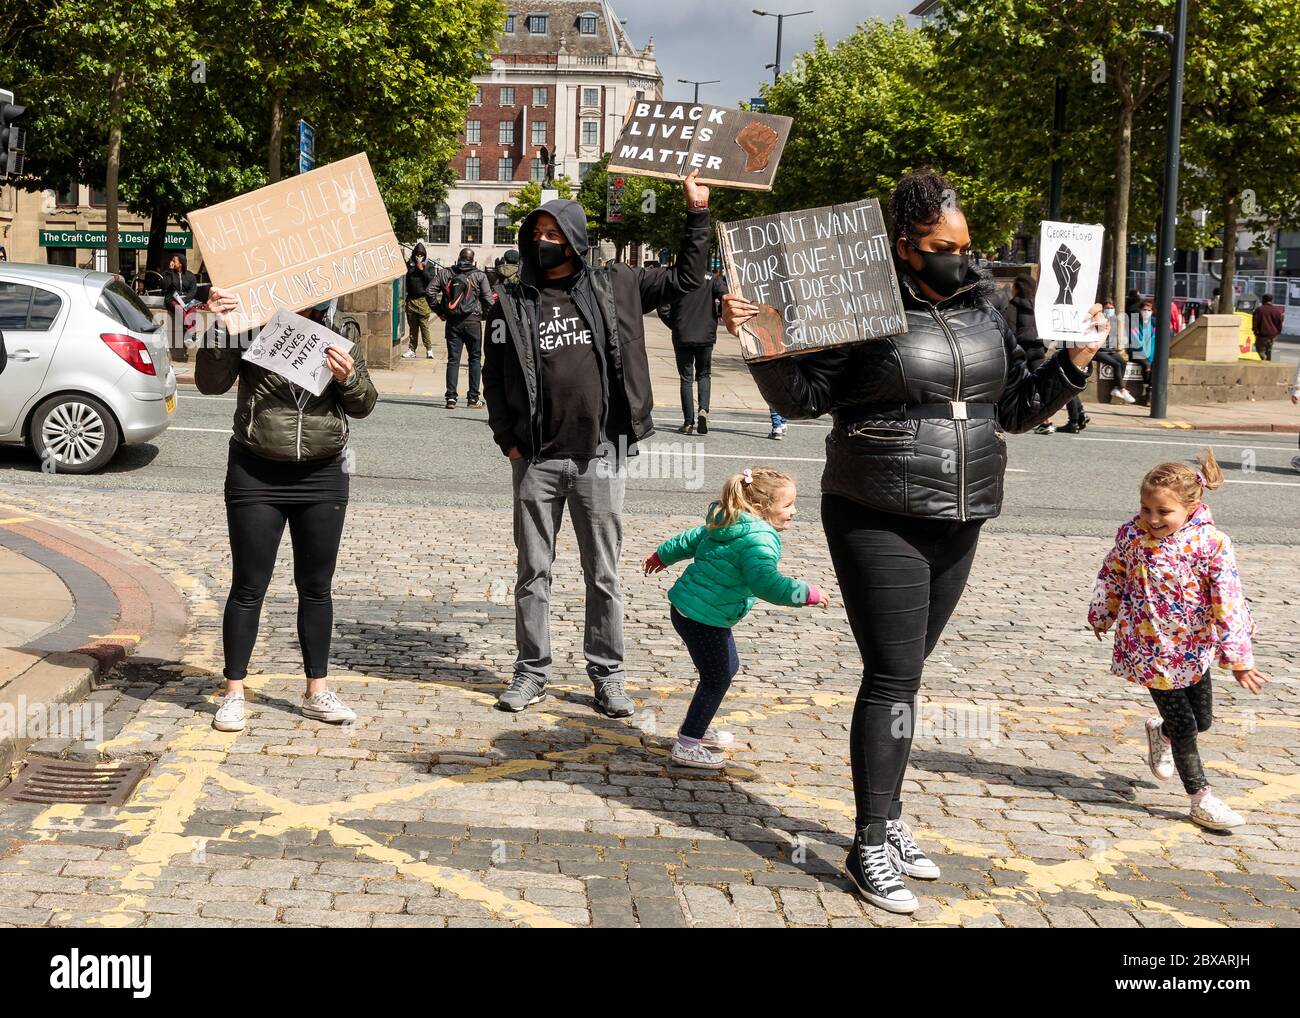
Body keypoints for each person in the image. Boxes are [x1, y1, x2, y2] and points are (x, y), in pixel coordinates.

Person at [722, 168, 1104, 915]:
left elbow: (1019, 410)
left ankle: (888, 821)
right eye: (943, 247)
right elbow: (804, 399)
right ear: (904, 247)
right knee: (893, 674)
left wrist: (1076, 363)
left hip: (963, 512)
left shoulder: (987, 311)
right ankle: (869, 844)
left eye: (967, 246)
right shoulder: (861, 308)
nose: (962, 259)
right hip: (876, 509)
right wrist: (762, 341)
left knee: (908, 675)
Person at [484, 170, 711, 718]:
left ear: (576, 238)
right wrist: (508, 441)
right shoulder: (512, 301)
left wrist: (697, 214)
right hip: (536, 458)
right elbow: (492, 374)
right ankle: (531, 671)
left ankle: (607, 674)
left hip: (601, 456)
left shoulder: (618, 285)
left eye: (554, 233)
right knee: (532, 572)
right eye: (536, 232)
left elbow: (685, 279)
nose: (544, 242)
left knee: (602, 574)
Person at [196, 289, 378, 734]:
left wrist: (348, 378)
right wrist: (217, 331)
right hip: (255, 472)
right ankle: (233, 692)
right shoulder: (248, 325)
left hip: (322, 475)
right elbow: (210, 383)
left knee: (316, 587)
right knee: (248, 584)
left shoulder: (340, 329)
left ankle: (318, 691)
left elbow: (365, 404)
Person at [1089, 449, 1266, 832]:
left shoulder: (1212, 544)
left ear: (1191, 506)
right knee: (1186, 726)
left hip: (1193, 647)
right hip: (1149, 648)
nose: (1152, 519)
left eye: (1163, 512)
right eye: (1146, 509)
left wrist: (1239, 658)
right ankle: (1201, 798)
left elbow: (1229, 601)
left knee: (1201, 721)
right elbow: (1113, 572)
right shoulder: (1132, 534)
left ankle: (1161, 731)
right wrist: (1103, 611)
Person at [643, 467, 828, 768]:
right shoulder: (760, 539)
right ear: (759, 508)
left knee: (725, 669)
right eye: (788, 505)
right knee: (717, 678)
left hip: (687, 610)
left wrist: (661, 556)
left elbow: (689, 539)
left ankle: (698, 727)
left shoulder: (726, 519)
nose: (794, 511)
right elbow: (766, 583)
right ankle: (688, 743)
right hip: (706, 618)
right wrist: (806, 593)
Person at [657, 269, 726, 434]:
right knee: (703, 374)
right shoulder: (712, 279)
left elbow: (663, 308)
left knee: (686, 378)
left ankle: (688, 422)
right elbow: (726, 297)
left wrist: (676, 325)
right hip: (705, 334)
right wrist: (720, 313)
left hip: (682, 334)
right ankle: (704, 410)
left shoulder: (676, 277)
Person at [430, 247, 492, 409]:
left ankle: (451, 398)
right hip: (473, 322)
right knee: (475, 359)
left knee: (453, 359)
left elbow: (430, 292)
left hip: (452, 323)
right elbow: (488, 300)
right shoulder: (479, 275)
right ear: (473, 260)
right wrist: (483, 316)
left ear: (458, 258)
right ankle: (473, 399)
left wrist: (440, 312)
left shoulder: (445, 273)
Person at [1002, 275, 1055, 434]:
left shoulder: (1013, 305)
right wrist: (1044, 347)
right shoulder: (1039, 306)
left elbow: (1009, 329)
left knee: (1013, 384)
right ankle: (1046, 421)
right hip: (1038, 347)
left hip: (1021, 349)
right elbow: (1048, 328)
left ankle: (1007, 419)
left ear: (1018, 288)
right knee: (1041, 384)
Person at [1095, 300, 1137, 403]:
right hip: (1097, 351)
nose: (1109, 310)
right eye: (1107, 308)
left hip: (1109, 350)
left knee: (1123, 362)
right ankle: (1122, 389)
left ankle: (1116, 388)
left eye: (1111, 308)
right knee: (1116, 365)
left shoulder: (1113, 321)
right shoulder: (1098, 320)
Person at [402, 242, 437, 360]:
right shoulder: (409, 265)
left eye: (421, 254)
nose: (419, 256)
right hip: (411, 299)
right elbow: (406, 276)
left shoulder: (429, 266)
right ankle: (412, 349)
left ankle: (429, 349)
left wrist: (422, 269)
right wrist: (415, 266)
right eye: (417, 254)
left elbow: (431, 280)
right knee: (412, 327)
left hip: (423, 300)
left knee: (424, 326)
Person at [160, 253, 198, 353]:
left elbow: (193, 290)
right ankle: (191, 333)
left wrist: (185, 300)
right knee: (179, 309)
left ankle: (190, 335)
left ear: (181, 264)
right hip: (173, 299)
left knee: (192, 310)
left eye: (174, 261)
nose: (172, 262)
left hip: (186, 299)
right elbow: (164, 286)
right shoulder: (169, 273)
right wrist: (169, 271)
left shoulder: (190, 275)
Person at [1252, 293, 1285, 361]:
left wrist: (1255, 332)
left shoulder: (1259, 310)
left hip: (1262, 334)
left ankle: (1264, 358)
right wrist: (1277, 333)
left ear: (1263, 300)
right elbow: (1280, 323)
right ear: (1271, 300)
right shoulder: (1276, 311)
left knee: (1260, 349)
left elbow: (1255, 322)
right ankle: (1268, 362)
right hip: (1273, 335)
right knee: (1269, 350)